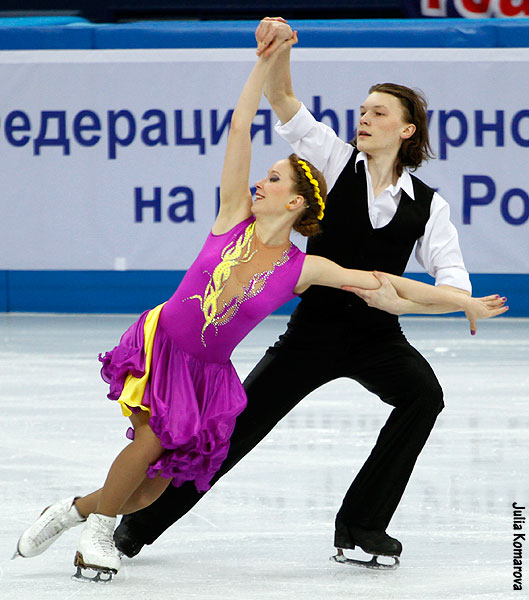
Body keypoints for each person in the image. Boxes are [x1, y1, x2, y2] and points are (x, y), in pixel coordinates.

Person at [108, 19, 508, 568]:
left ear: (408, 130)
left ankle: (362, 526)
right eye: (362, 110)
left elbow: (453, 289)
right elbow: (282, 97)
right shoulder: (334, 157)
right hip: (312, 334)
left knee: (423, 397)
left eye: (378, 113)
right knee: (234, 434)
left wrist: (400, 304)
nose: (364, 119)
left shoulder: (429, 206)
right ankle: (135, 528)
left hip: (377, 339)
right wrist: (279, 49)